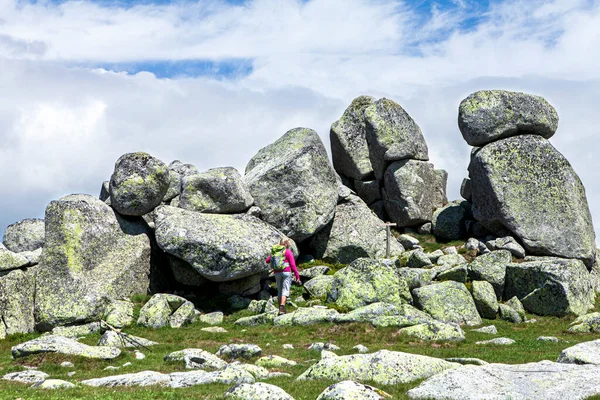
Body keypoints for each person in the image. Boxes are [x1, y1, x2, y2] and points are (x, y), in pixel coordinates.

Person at [265, 239, 301, 315]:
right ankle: (282, 307)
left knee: (280, 290)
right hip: (286, 272)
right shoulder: (287, 251)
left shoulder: (275, 251)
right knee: (285, 289)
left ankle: (280, 309)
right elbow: (293, 265)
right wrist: (297, 275)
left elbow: (267, 260)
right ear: (287, 244)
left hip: (277, 273)